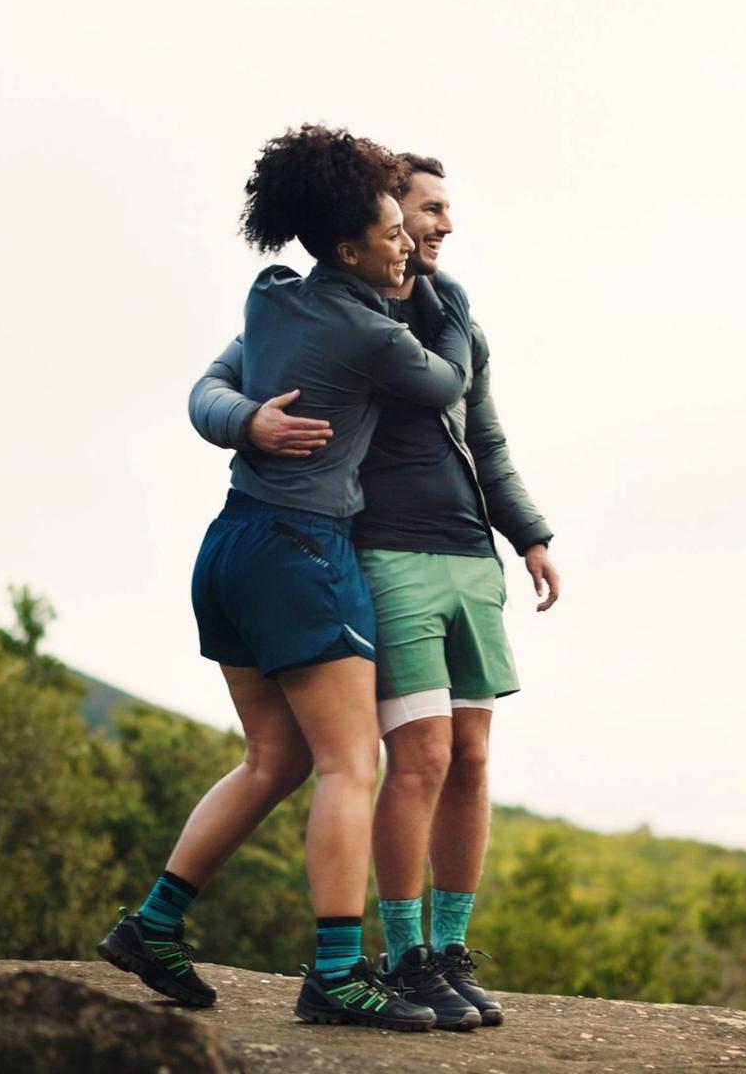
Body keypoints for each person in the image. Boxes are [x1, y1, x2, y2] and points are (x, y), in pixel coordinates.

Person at [99, 124, 473, 1032]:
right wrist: (445, 294)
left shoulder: (271, 298)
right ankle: (340, 973)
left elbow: (209, 385)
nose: (407, 244)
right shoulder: (372, 334)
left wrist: (240, 421)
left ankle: (153, 925)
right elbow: (448, 379)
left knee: (275, 758)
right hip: (304, 550)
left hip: (230, 548)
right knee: (353, 762)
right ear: (350, 246)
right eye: (392, 232)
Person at [189, 153, 560, 1030]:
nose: (440, 226)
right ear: (379, 222)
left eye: (438, 213)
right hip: (381, 554)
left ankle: (447, 950)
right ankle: (399, 958)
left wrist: (530, 533)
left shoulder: (451, 306)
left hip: (471, 557)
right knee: (415, 759)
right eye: (424, 211)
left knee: (470, 760)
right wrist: (247, 420)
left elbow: (486, 437)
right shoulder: (327, 306)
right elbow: (209, 388)